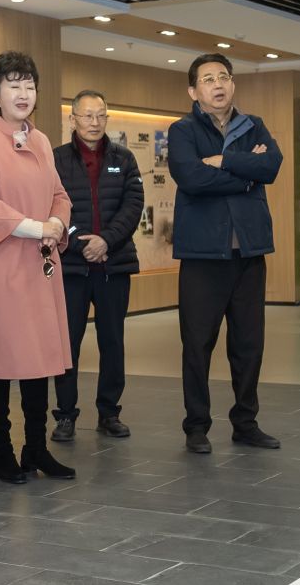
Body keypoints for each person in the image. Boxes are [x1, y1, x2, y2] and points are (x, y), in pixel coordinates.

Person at [0, 53, 78, 484]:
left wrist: (57, 224)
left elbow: (60, 195)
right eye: (13, 85)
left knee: (39, 358)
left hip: (40, 264)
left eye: (29, 85)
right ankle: (1, 451)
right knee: (0, 360)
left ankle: (36, 447)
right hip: (2, 265)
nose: (23, 93)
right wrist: (36, 227)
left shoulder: (42, 140)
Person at [169, 54, 284, 453]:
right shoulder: (182, 130)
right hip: (203, 255)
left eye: (223, 77)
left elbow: (271, 166)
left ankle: (245, 423)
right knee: (197, 344)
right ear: (193, 91)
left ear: (233, 84)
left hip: (248, 253)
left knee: (249, 344)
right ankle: (196, 426)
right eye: (208, 79)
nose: (217, 84)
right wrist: (245, 177)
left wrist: (226, 161)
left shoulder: (254, 125)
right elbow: (191, 177)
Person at [52, 89, 145, 441]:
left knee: (113, 341)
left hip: (113, 265)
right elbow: (51, 205)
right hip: (71, 268)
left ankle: (109, 413)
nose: (94, 122)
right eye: (87, 115)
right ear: (72, 119)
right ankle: (65, 415)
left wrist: (106, 240)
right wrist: (81, 243)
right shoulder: (57, 159)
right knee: (68, 343)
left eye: (100, 115)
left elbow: (133, 205)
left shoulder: (125, 158)